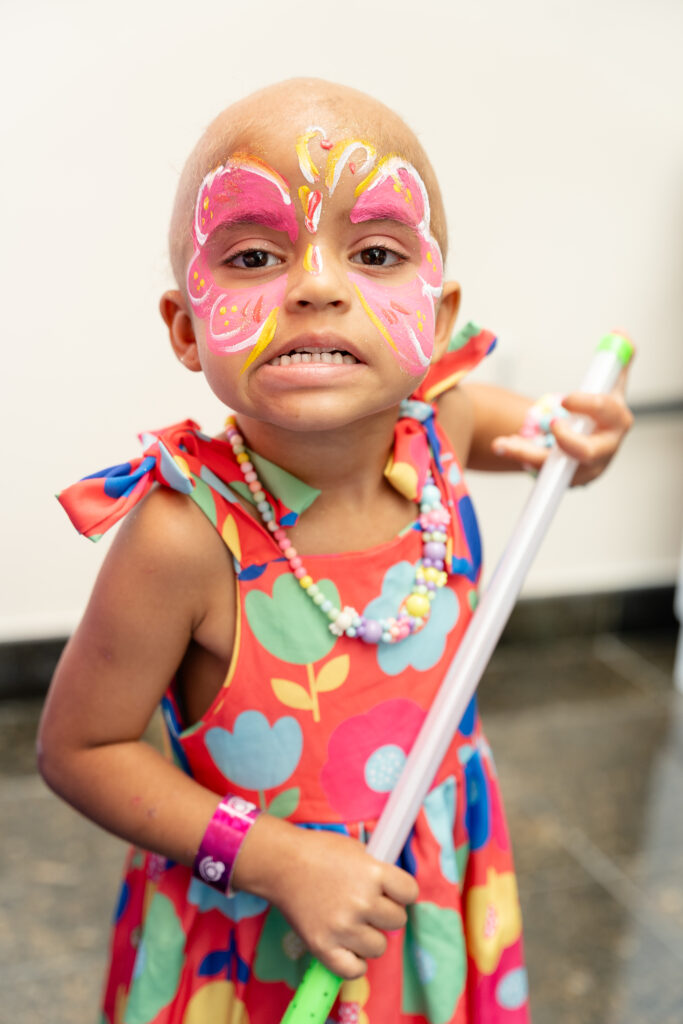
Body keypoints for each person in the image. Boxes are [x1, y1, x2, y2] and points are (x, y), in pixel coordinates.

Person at [38, 78, 633, 1024]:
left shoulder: (442, 419)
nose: (316, 284)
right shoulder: (184, 535)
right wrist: (281, 861)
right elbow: (80, 747)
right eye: (255, 253)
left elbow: (546, 435)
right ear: (188, 328)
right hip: (250, 941)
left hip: (432, 891)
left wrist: (579, 437)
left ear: (434, 324)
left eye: (377, 251)